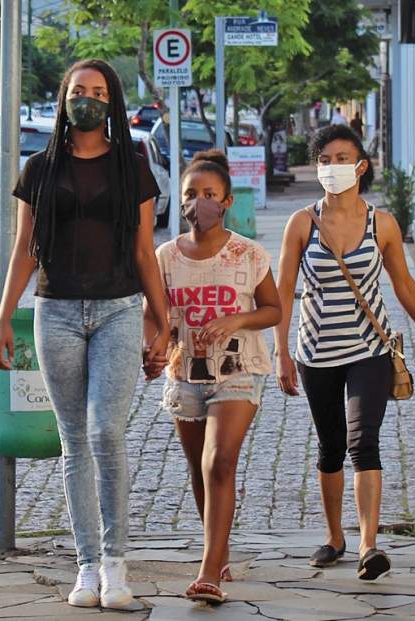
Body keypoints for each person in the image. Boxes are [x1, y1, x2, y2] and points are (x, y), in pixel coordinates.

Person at [0, 59, 170, 609]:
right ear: (63, 97)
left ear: (110, 100)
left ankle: (116, 564)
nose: (86, 99)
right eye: (77, 91)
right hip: (56, 312)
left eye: (96, 91)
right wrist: (3, 316)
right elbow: (23, 250)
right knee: (73, 442)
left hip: (118, 310)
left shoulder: (132, 166)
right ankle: (86, 565)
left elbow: (143, 251)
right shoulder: (39, 168)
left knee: (104, 434)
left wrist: (163, 321)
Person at [274, 125, 415, 580]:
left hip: (369, 348)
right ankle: (335, 537)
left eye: (342, 158)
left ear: (361, 165)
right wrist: (281, 352)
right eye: (325, 159)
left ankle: (370, 545)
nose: (333, 167)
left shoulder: (381, 223)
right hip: (315, 352)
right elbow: (283, 292)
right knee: (330, 446)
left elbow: (404, 284)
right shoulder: (301, 224)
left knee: (361, 441)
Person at [144, 149, 282, 603]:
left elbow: (273, 309)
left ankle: (209, 572)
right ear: (180, 201)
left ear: (226, 202)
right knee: (198, 469)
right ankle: (217, 548)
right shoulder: (165, 256)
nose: (199, 202)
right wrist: (156, 344)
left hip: (239, 371)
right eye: (190, 194)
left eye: (209, 194)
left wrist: (236, 321)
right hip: (186, 373)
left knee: (218, 460)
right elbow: (154, 314)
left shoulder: (248, 253)